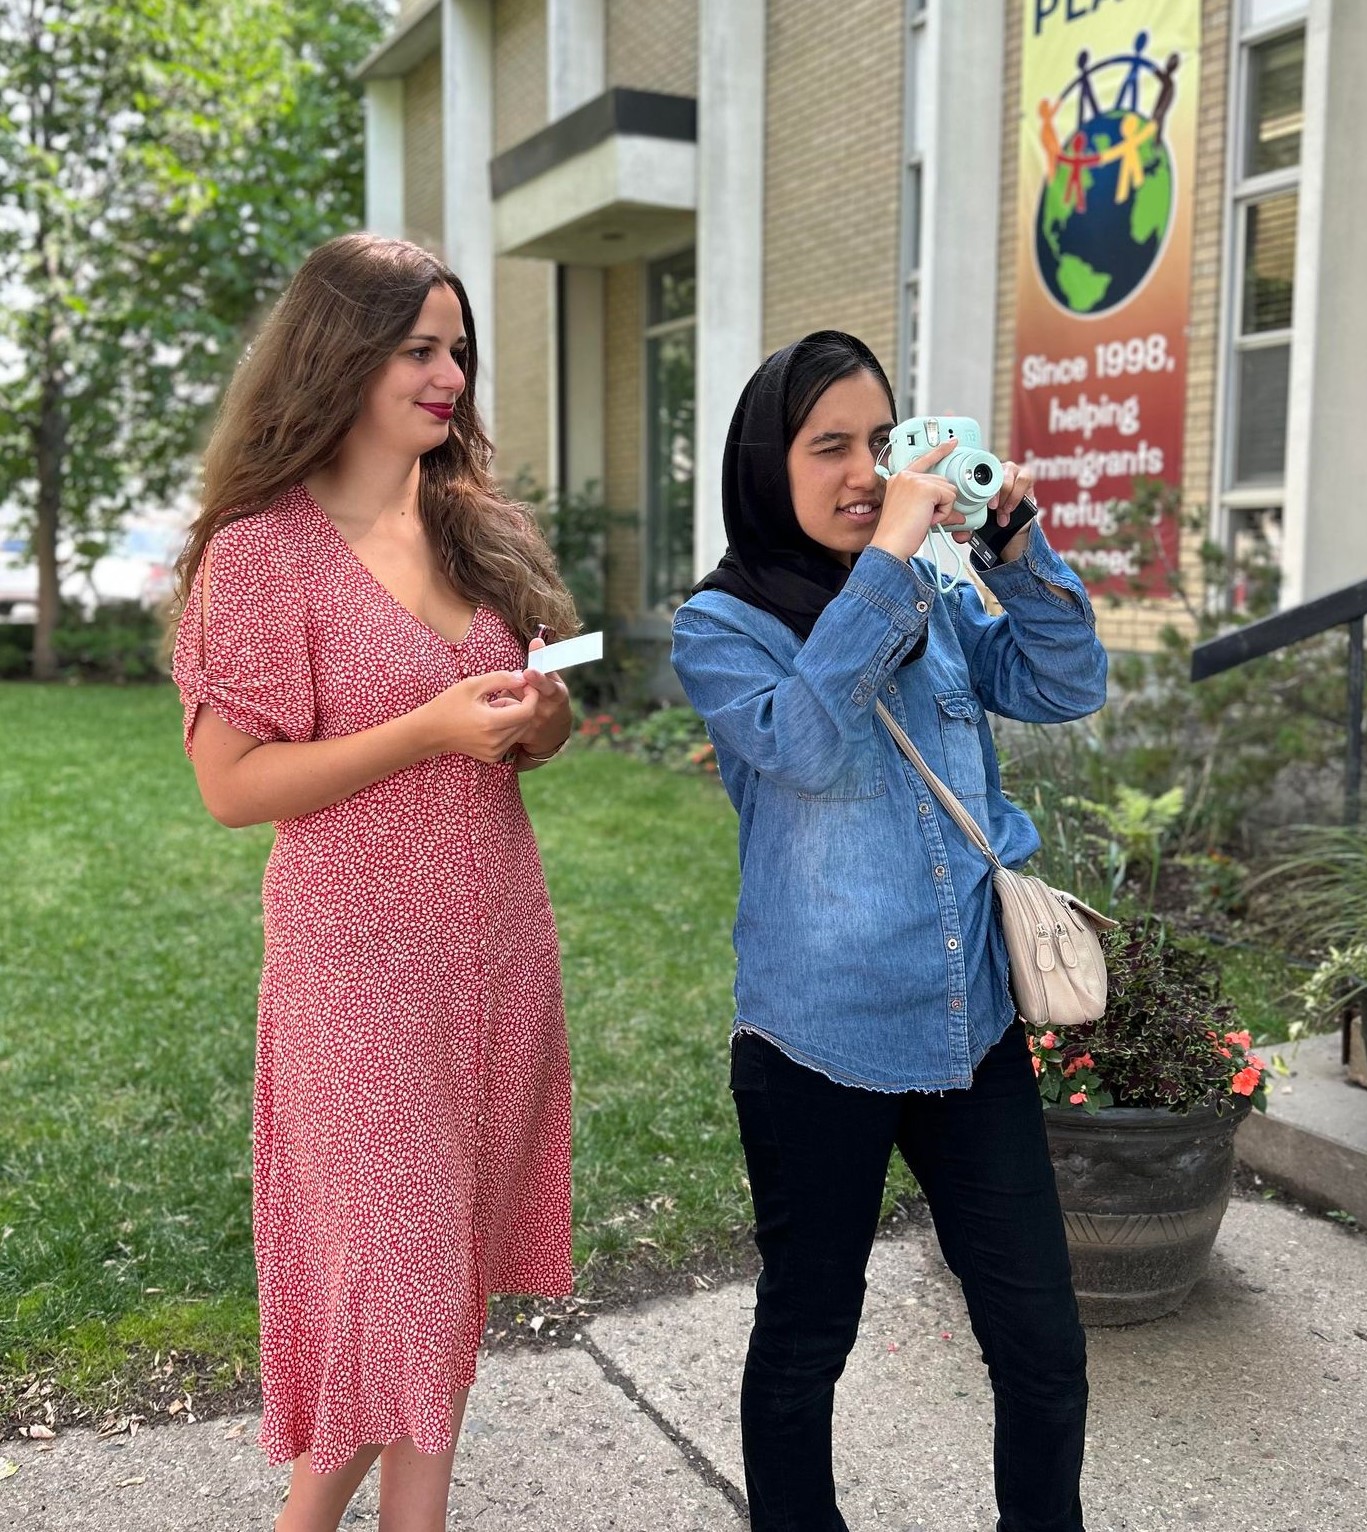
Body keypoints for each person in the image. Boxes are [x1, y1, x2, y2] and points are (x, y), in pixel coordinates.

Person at [169, 233, 579, 1532]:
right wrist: (424, 732)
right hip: (358, 981)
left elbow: (535, 732)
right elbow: (231, 787)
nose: (450, 372)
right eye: (420, 347)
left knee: (441, 1285)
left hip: (497, 955)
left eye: (458, 349)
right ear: (340, 355)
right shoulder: (263, 554)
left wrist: (540, 718)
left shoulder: (475, 526)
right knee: (391, 1285)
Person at [670, 331, 1108, 1532]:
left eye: (884, 439)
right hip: (818, 1045)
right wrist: (900, 557)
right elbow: (804, 743)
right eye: (832, 447)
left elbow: (1067, 684)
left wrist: (1011, 541)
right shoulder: (722, 625)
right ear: (770, 462)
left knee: (1042, 1340)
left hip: (972, 1032)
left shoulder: (939, 587)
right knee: (809, 1335)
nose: (869, 471)